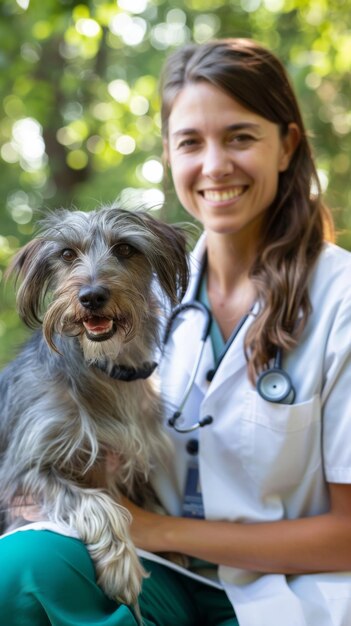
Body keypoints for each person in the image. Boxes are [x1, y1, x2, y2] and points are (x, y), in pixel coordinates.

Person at [122, 39, 351, 626]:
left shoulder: (341, 299)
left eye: (241, 137)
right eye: (191, 142)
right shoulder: (141, 297)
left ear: (287, 146)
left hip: (293, 593)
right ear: (170, 155)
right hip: (157, 577)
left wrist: (160, 529)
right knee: (23, 564)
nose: (215, 165)